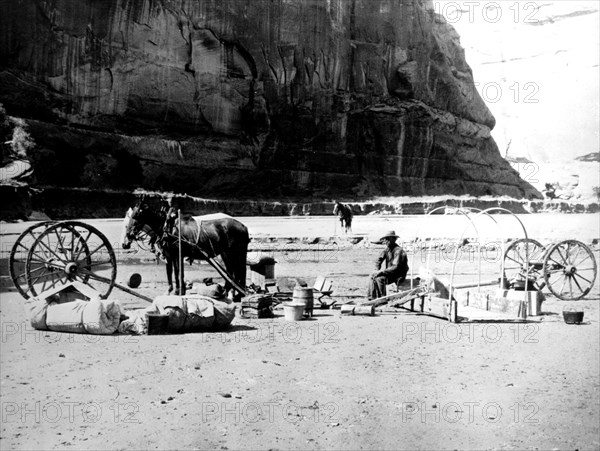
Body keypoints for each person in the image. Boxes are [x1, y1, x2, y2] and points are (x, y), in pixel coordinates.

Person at [367, 230, 409, 300]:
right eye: (385, 239)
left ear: (394, 239)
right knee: (372, 276)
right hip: (390, 273)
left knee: (380, 279)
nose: (386, 241)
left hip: (398, 275)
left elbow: (395, 267)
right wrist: (376, 269)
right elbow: (379, 260)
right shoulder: (387, 249)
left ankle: (382, 299)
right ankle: (371, 298)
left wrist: (381, 272)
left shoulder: (398, 251)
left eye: (388, 239)